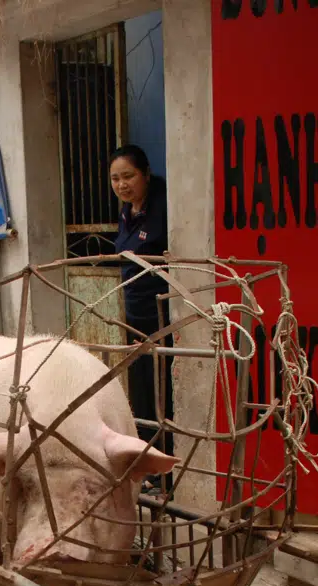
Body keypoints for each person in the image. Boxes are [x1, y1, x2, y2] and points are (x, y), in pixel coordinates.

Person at [109, 144, 174, 471]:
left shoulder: (164, 206)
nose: (122, 184)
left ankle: (166, 469)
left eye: (129, 176)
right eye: (115, 178)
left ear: (146, 174)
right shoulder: (127, 213)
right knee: (142, 395)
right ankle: (148, 466)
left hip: (163, 320)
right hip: (134, 319)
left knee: (164, 395)